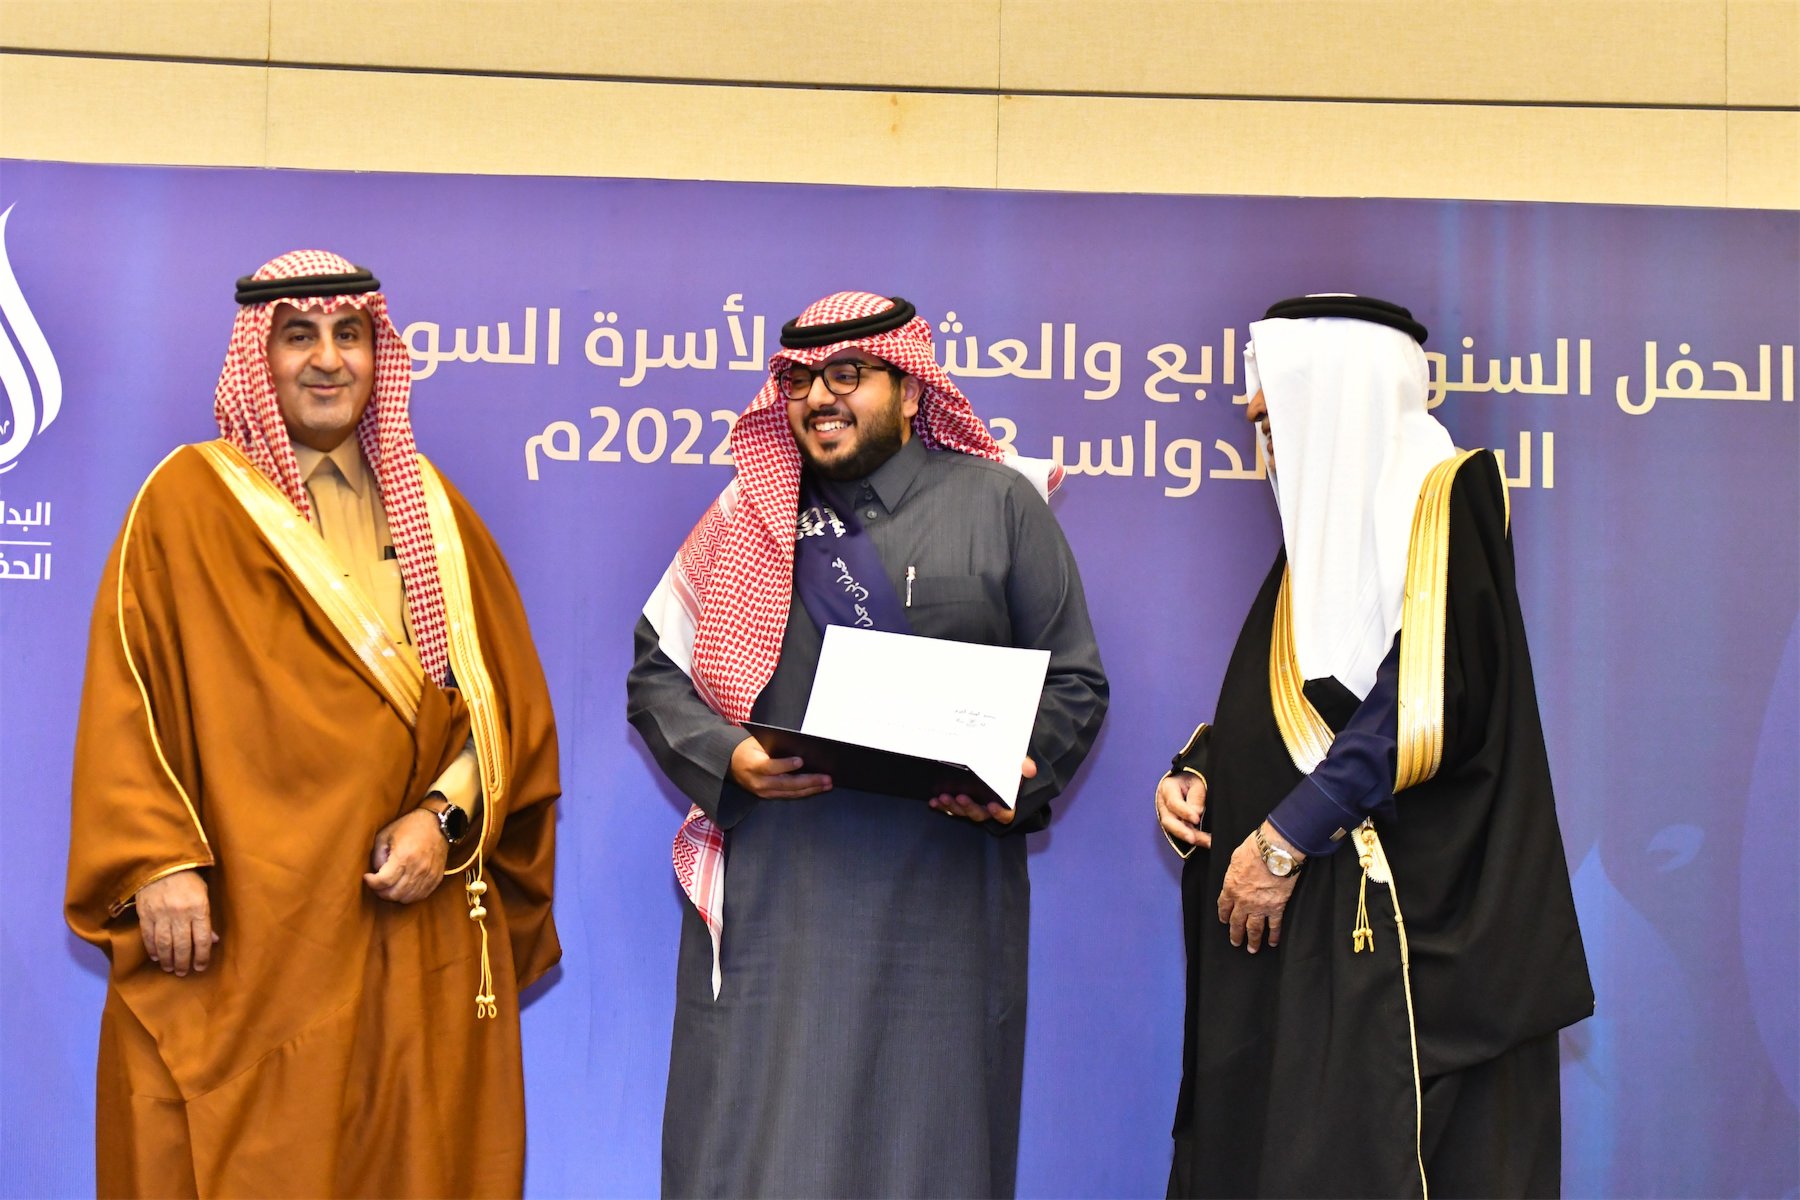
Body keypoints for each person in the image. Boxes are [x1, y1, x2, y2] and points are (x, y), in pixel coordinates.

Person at [65, 250, 561, 1196]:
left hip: (405, 918)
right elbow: (127, 696)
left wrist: (444, 819)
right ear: (261, 356)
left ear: (380, 356)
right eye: (299, 336)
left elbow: (505, 712)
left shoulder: (439, 514)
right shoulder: (185, 503)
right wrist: (157, 861)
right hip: (255, 926)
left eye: (349, 335)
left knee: (411, 1159)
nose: (328, 360)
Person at [627, 291, 1108, 1198]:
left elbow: (1075, 683)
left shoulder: (1000, 504)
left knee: (928, 1149)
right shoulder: (747, 517)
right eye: (801, 380)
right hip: (782, 895)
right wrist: (729, 758)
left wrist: (1018, 773)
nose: (819, 397)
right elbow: (657, 675)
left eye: (847, 374)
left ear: (912, 388)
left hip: (944, 895)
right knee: (763, 1146)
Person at [1154, 294, 1592, 1198]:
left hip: (1409, 945)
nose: (1268, 450)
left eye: (1274, 423)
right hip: (1307, 945)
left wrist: (1285, 837)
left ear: (1336, 406)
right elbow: (1302, 702)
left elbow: (1427, 694)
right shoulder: (1314, 550)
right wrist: (1201, 771)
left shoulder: (1448, 500)